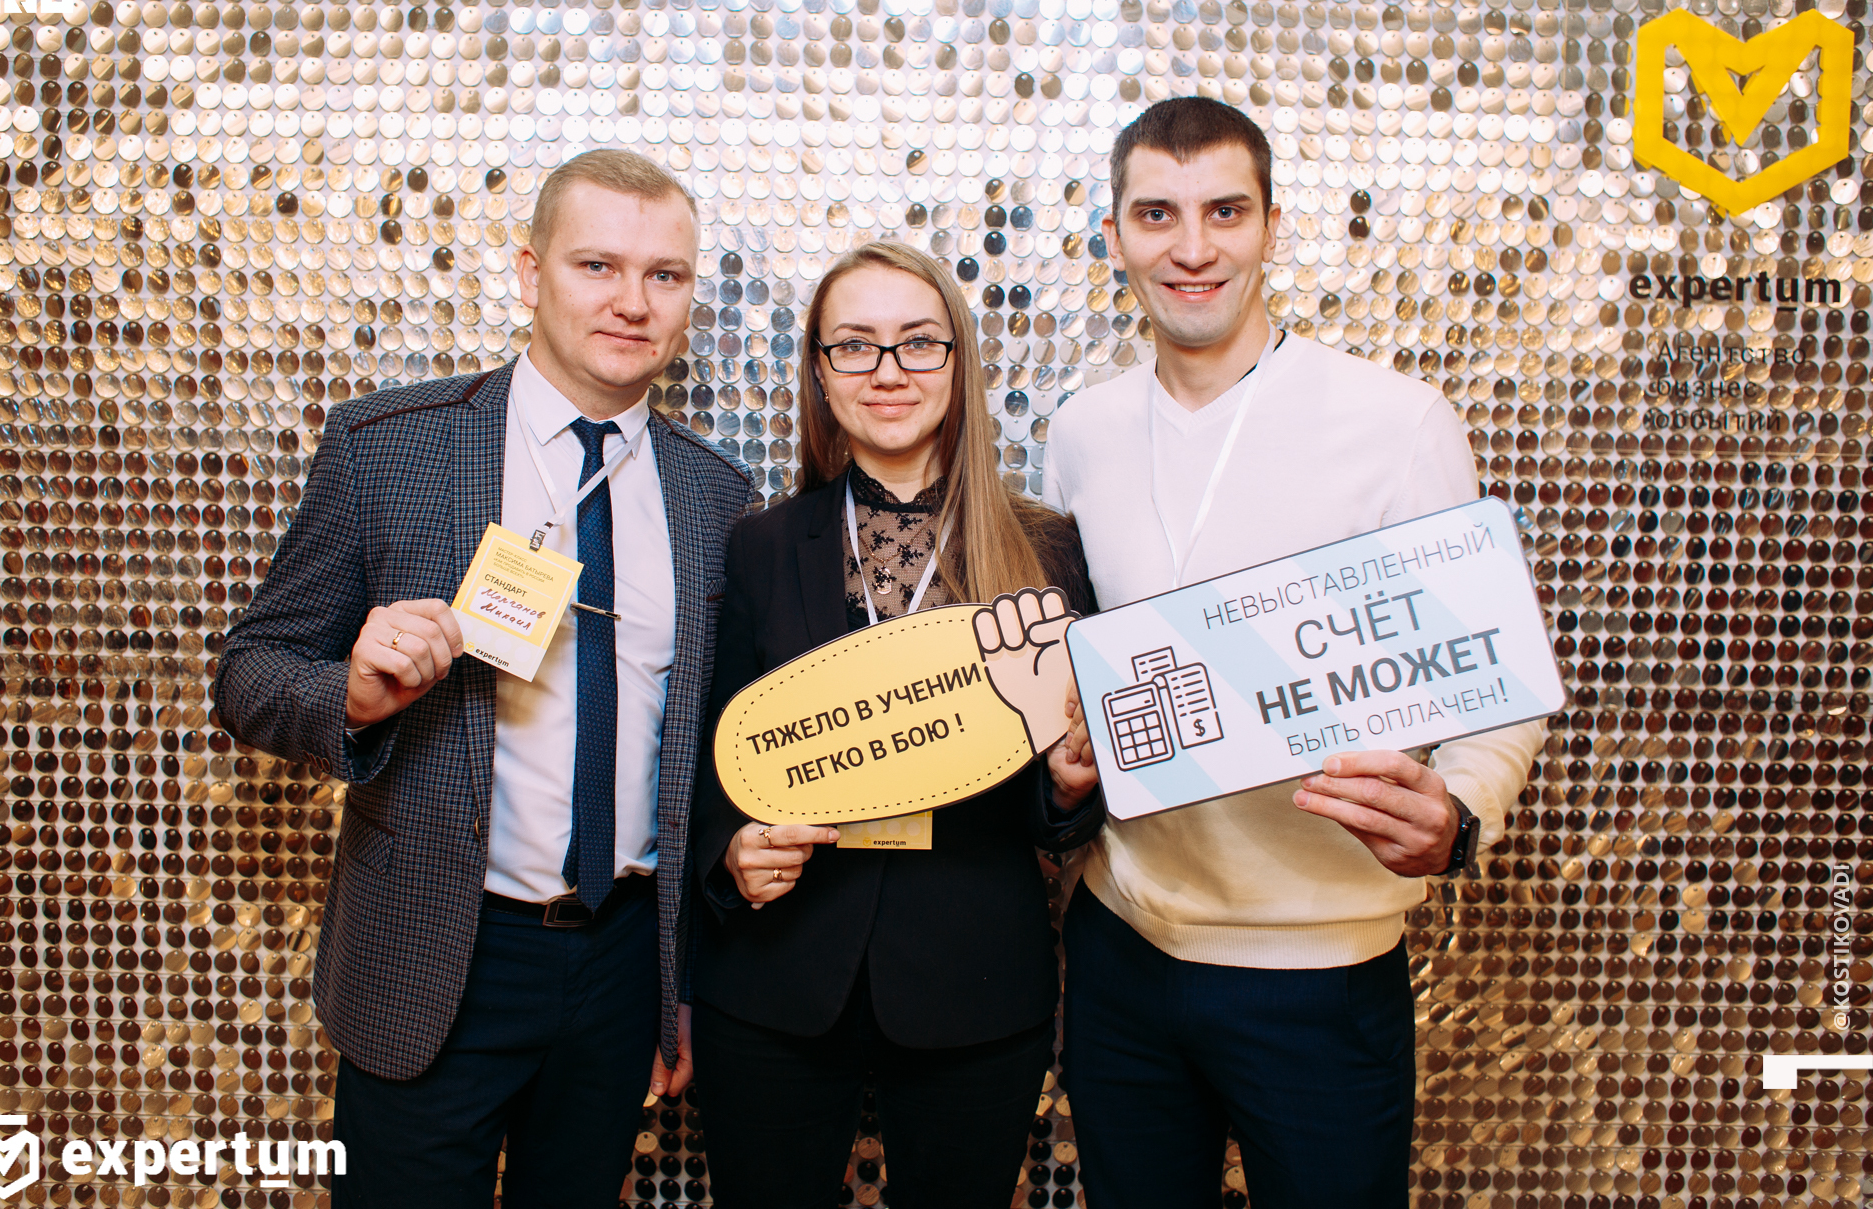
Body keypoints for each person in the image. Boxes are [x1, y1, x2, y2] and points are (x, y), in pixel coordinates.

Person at [211, 150, 751, 1207]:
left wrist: (680, 982)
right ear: (529, 271)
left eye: (665, 275)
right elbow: (249, 674)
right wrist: (352, 696)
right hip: (434, 953)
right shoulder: (388, 447)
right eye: (597, 265)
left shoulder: (715, 495)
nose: (632, 302)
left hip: (622, 963)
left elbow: (699, 761)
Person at [1041, 97, 1547, 1207]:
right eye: (1157, 214)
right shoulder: (1080, 431)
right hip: (1123, 945)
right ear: (1114, 235)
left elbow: (1497, 680)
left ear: (1273, 226)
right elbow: (1077, 668)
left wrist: (1463, 812)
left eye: (1225, 211)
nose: (1192, 247)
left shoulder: (1399, 422)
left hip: (1318, 967)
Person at [688, 240, 1104, 1209]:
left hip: (975, 980)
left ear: (959, 362)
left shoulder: (1045, 549)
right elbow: (710, 753)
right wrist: (730, 853)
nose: (887, 372)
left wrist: (1069, 785)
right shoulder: (758, 544)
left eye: (918, 342)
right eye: (855, 345)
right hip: (778, 977)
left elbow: (1059, 809)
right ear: (819, 369)